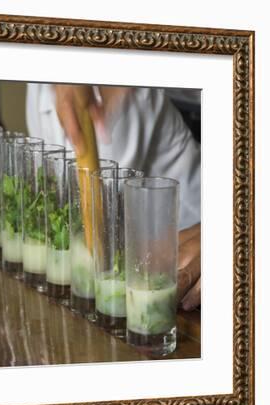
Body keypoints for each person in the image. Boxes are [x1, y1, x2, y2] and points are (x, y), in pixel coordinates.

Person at [26, 84, 201, 311]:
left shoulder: (112, 95)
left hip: (191, 253)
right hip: (137, 272)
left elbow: (101, 222)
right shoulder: (38, 86)